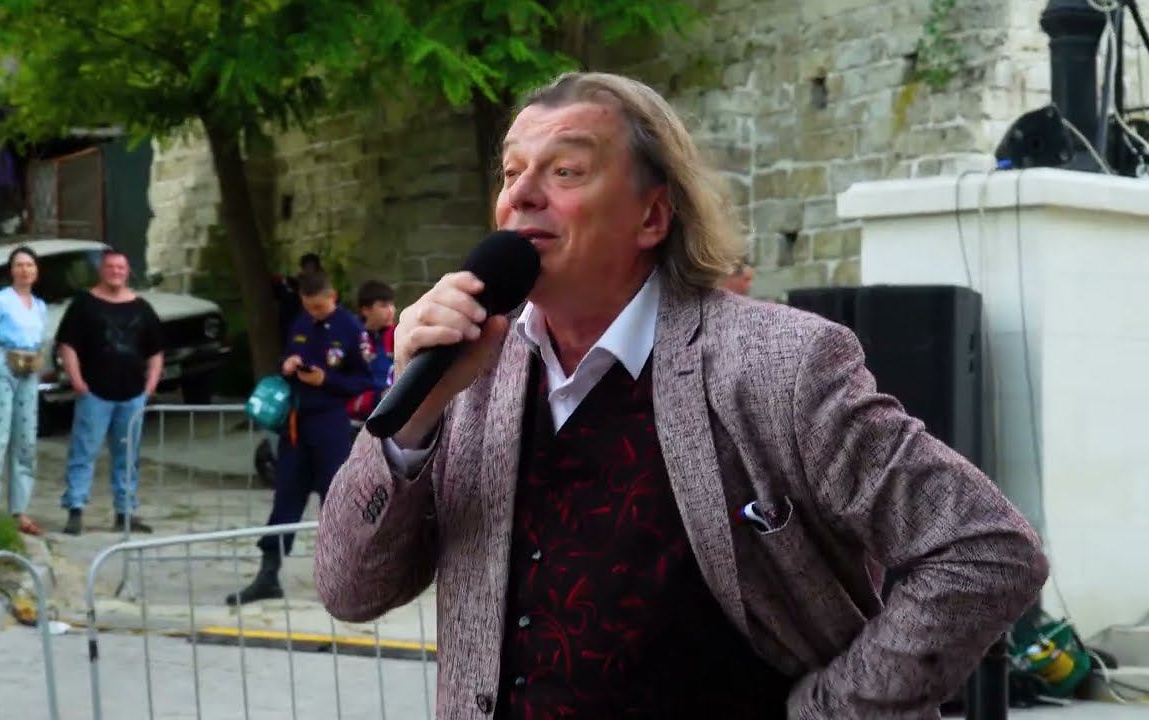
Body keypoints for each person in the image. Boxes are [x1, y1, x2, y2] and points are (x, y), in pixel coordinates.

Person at [314, 72, 1048, 718]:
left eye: (565, 170)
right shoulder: (471, 372)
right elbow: (350, 590)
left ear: (652, 216)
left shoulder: (779, 365)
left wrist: (834, 711)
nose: (522, 195)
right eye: (511, 172)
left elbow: (984, 548)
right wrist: (416, 416)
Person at [227, 270, 374, 605]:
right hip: (296, 425)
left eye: (319, 307)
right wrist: (288, 365)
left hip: (329, 424)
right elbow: (288, 354)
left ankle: (344, 578)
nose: (314, 313)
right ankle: (268, 574)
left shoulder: (352, 330)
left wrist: (326, 381)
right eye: (309, 307)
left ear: (333, 297)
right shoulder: (301, 322)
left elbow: (365, 380)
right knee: (286, 499)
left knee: (335, 502)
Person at [57, 249, 164, 535]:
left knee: (127, 456)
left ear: (127, 272)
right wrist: (77, 381)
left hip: (132, 394)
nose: (116, 271)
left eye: (121, 267)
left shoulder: (142, 308)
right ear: (102, 271)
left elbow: (156, 351)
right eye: (111, 267)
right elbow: (67, 345)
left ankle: (125, 512)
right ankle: (75, 509)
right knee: (83, 452)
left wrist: (150, 386)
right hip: (94, 393)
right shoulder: (83, 304)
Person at [0, 246, 48, 536]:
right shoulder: (0, 300)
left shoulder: (39, 306)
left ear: (36, 271)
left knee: (26, 440)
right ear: (11, 270)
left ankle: (19, 510)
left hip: (29, 368)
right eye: (19, 265)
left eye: (29, 265)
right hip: (3, 365)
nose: (25, 270)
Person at [345, 280, 397, 426]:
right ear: (365, 310)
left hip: (391, 414)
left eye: (392, 305)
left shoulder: (399, 334)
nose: (391, 310)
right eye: (383, 306)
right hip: (356, 419)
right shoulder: (350, 337)